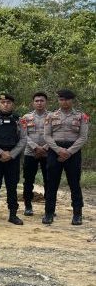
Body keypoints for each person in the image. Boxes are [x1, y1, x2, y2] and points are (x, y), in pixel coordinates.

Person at [42, 89, 89, 226]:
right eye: (61, 99)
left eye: (67, 99)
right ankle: (49, 214)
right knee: (51, 184)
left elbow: (83, 137)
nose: (64, 102)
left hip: (73, 152)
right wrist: (58, 150)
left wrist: (69, 152)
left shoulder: (81, 116)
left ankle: (77, 215)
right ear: (58, 100)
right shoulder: (50, 116)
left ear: (72, 100)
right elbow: (47, 136)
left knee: (74, 183)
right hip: (54, 151)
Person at [0, 93, 26, 225]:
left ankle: (13, 215)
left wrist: (12, 154)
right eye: (3, 102)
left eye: (8, 102)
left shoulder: (19, 120)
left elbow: (23, 139)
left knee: (12, 186)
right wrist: (0, 152)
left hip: (13, 158)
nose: (5, 104)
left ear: (13, 104)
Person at [21, 92, 49, 216]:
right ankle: (28, 205)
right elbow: (23, 135)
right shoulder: (26, 117)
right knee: (28, 180)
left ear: (46, 102)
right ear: (33, 103)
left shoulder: (52, 116)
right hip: (30, 153)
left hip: (48, 153)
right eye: (37, 101)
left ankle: (50, 207)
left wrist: (44, 148)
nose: (39, 103)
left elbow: (54, 135)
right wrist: (35, 147)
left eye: (41, 100)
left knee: (49, 180)